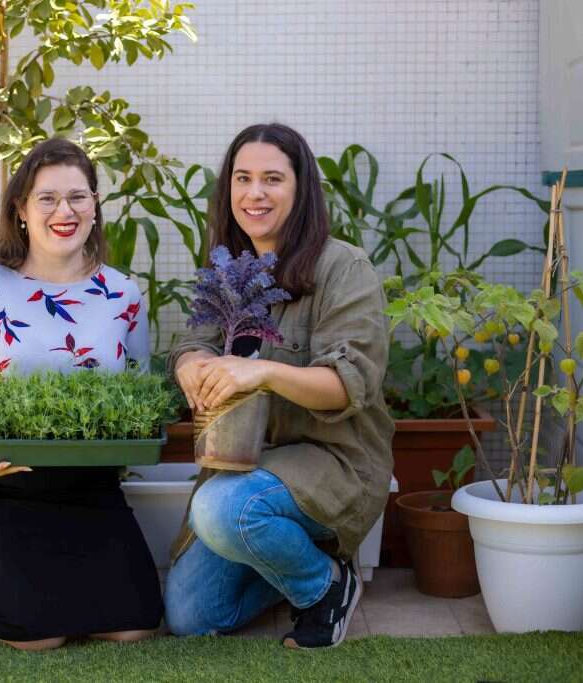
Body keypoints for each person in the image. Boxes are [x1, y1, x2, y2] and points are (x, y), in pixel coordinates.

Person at [164, 123, 394, 649]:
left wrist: (263, 371)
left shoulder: (343, 267)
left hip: (333, 462)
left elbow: (348, 383)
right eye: (243, 178)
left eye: (272, 179)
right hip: (244, 468)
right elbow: (192, 343)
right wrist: (191, 364)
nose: (255, 193)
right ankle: (285, 556)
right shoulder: (229, 270)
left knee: (223, 510)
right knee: (191, 616)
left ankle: (324, 586)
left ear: (301, 188)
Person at [0, 137, 163, 650]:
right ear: (21, 208)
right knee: (37, 637)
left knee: (135, 625)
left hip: (85, 487)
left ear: (95, 205)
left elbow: (136, 392)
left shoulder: (122, 294)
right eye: (48, 199)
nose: (65, 211)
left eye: (78, 197)